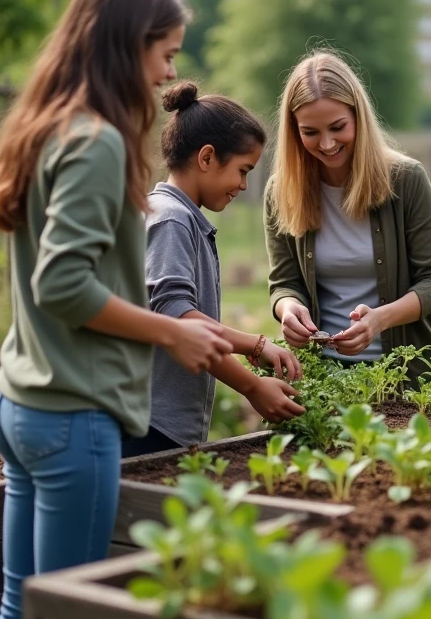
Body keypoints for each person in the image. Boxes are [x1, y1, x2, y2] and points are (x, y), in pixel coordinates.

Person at [0, 0, 233, 619]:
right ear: (126, 46)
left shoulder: (50, 128)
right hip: (68, 412)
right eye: (165, 52)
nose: (169, 72)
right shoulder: (96, 143)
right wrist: (170, 333)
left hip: (20, 399)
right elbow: (63, 285)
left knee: (21, 617)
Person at [120, 81, 306, 459]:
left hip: (160, 423)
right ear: (206, 158)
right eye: (242, 170)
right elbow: (178, 317)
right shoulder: (171, 219)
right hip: (149, 424)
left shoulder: (184, 218)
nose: (243, 184)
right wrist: (253, 367)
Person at [264, 50, 431, 375]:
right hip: (324, 377)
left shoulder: (406, 180)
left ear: (359, 118)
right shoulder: (281, 191)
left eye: (338, 127)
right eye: (310, 132)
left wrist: (380, 319)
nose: (326, 144)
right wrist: (288, 307)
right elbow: (284, 282)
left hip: (408, 380)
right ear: (294, 130)